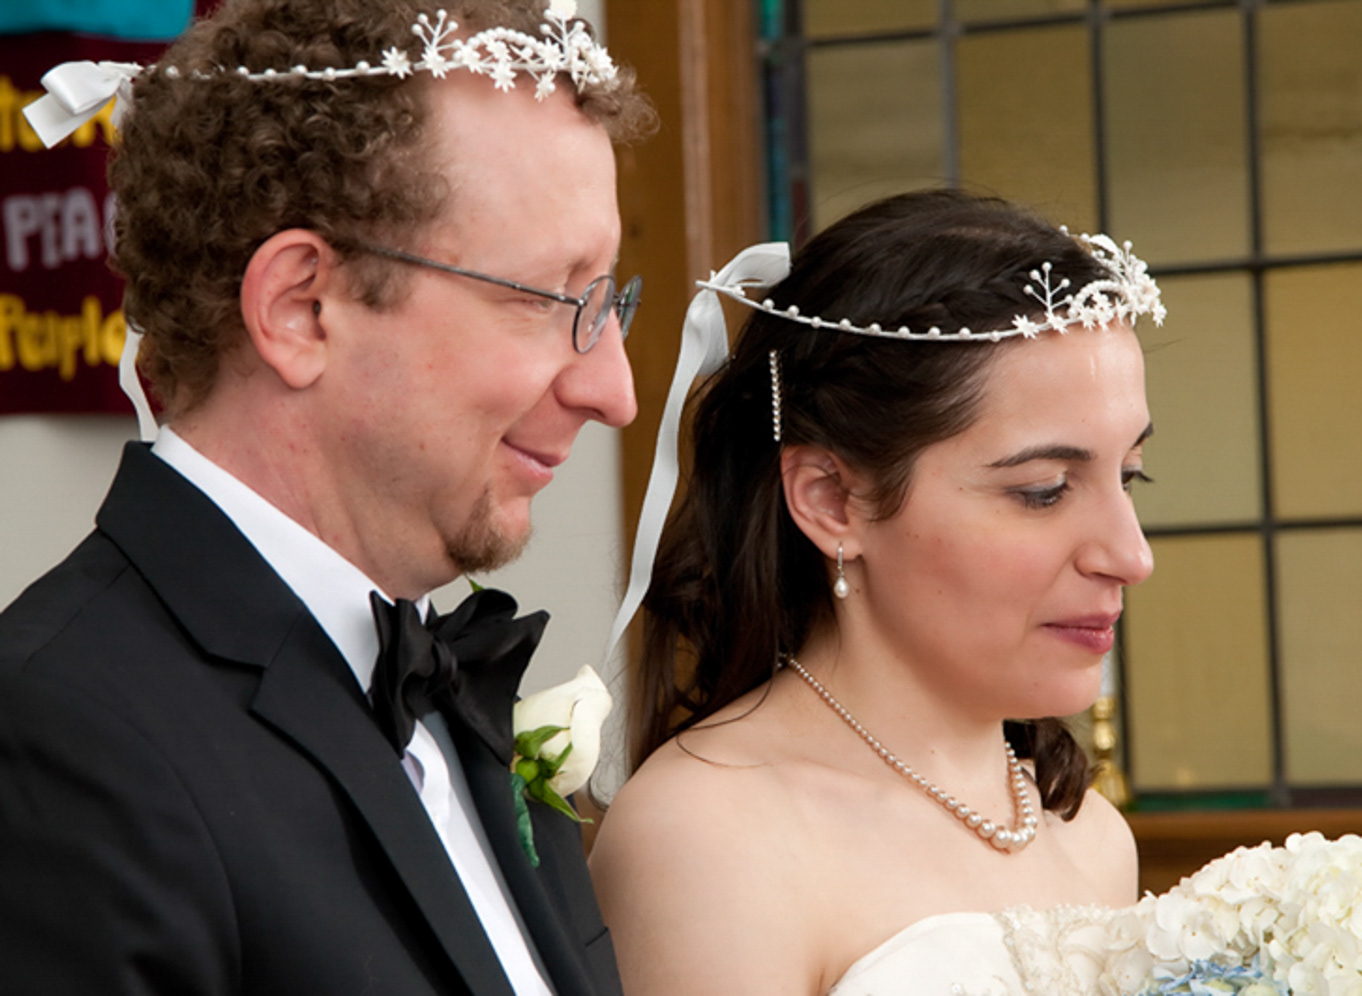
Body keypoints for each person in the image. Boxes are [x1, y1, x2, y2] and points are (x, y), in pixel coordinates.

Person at [0, 1, 652, 993]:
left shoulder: (442, 679)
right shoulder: (60, 743)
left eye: (609, 301)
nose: (616, 391)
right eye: (550, 300)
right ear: (301, 309)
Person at [589, 189, 1164, 995]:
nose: (1129, 556)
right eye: (1042, 490)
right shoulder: (709, 835)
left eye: (1131, 476)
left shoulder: (1091, 837)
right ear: (832, 500)